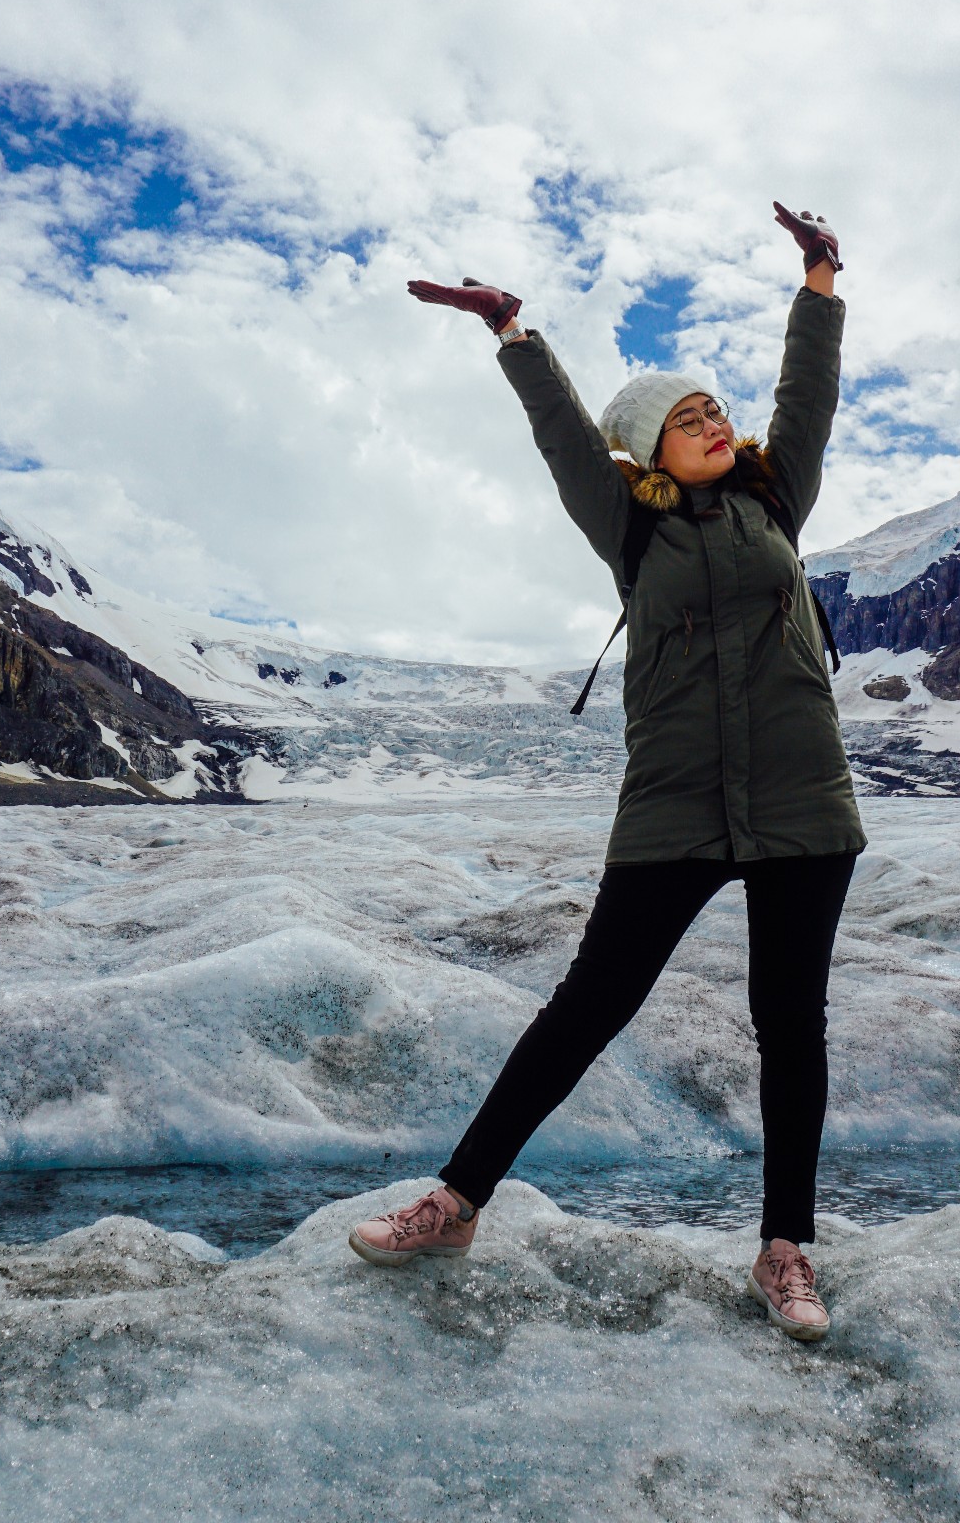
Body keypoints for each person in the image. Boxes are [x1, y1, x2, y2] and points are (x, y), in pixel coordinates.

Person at [348, 203, 865, 1342]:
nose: (714, 423)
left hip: (803, 802)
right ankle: (458, 1200)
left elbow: (806, 398)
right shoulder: (629, 528)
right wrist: (514, 336)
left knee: (791, 1021)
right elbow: (568, 438)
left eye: (715, 408)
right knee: (587, 1006)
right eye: (688, 418)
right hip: (674, 804)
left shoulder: (778, 495)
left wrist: (820, 279)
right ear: (650, 449)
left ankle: (786, 1249)